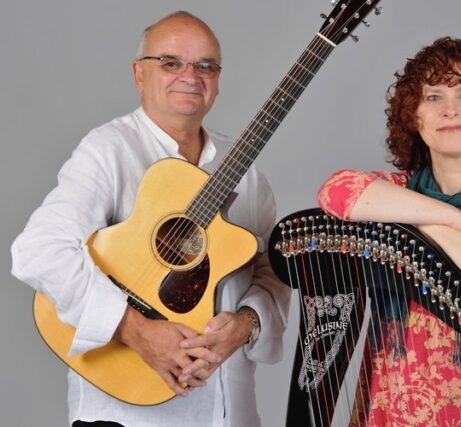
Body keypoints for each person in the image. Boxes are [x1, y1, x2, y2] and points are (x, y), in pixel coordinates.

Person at [11, 11, 290, 427]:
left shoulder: (247, 173)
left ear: (217, 79)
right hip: (124, 415)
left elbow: (273, 273)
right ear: (139, 74)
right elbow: (39, 251)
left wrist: (246, 324)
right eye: (171, 62)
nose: (190, 76)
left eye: (206, 66)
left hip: (231, 411)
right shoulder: (109, 150)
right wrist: (137, 331)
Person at [316, 37, 461, 426]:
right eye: (433, 97)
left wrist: (411, 222)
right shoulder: (394, 188)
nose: (450, 110)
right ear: (414, 116)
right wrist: (456, 220)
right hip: (394, 404)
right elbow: (335, 190)